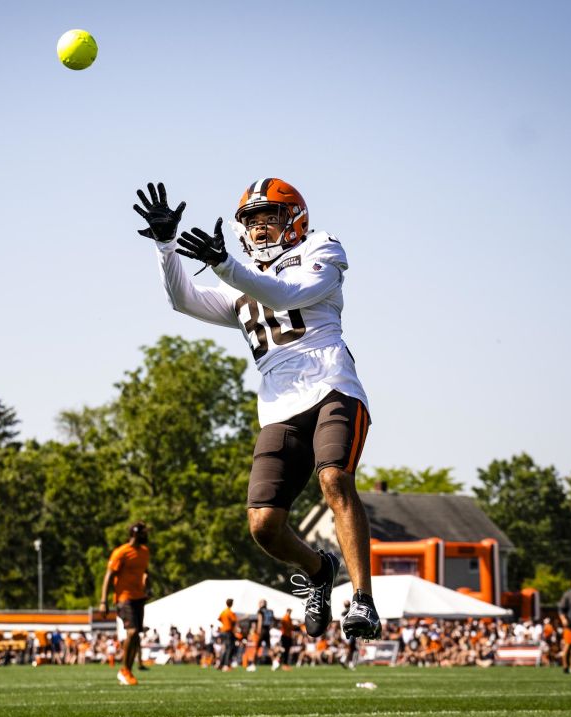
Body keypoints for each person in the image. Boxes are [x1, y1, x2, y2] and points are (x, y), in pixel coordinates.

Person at [133, 179, 380, 641]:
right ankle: (319, 569)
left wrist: (223, 264)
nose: (259, 227)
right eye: (251, 220)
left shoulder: (321, 248)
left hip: (331, 384)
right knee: (264, 526)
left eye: (269, 217)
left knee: (334, 478)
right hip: (279, 405)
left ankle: (362, 599)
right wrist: (166, 246)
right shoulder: (242, 278)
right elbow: (182, 300)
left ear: (295, 220)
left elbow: (285, 294)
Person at [99, 521, 150, 686]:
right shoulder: (121, 552)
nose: (147, 535)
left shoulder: (144, 552)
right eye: (144, 533)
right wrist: (103, 601)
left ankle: (127, 670)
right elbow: (108, 576)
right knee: (132, 632)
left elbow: (144, 572)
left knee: (136, 637)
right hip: (124, 598)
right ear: (135, 534)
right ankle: (124, 670)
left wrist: (147, 587)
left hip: (139, 598)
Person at [251, 599, 275, 670]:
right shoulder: (270, 611)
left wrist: (258, 631)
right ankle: (274, 663)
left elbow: (260, 621)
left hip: (262, 630)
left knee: (257, 647)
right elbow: (273, 620)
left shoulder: (260, 611)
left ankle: (253, 664)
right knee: (269, 648)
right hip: (267, 630)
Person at [217, 598, 239, 672]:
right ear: (231, 604)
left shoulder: (223, 612)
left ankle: (220, 664)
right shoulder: (230, 612)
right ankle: (226, 665)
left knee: (225, 648)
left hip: (222, 631)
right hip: (228, 632)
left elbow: (219, 618)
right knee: (229, 649)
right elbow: (235, 621)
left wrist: (224, 623)